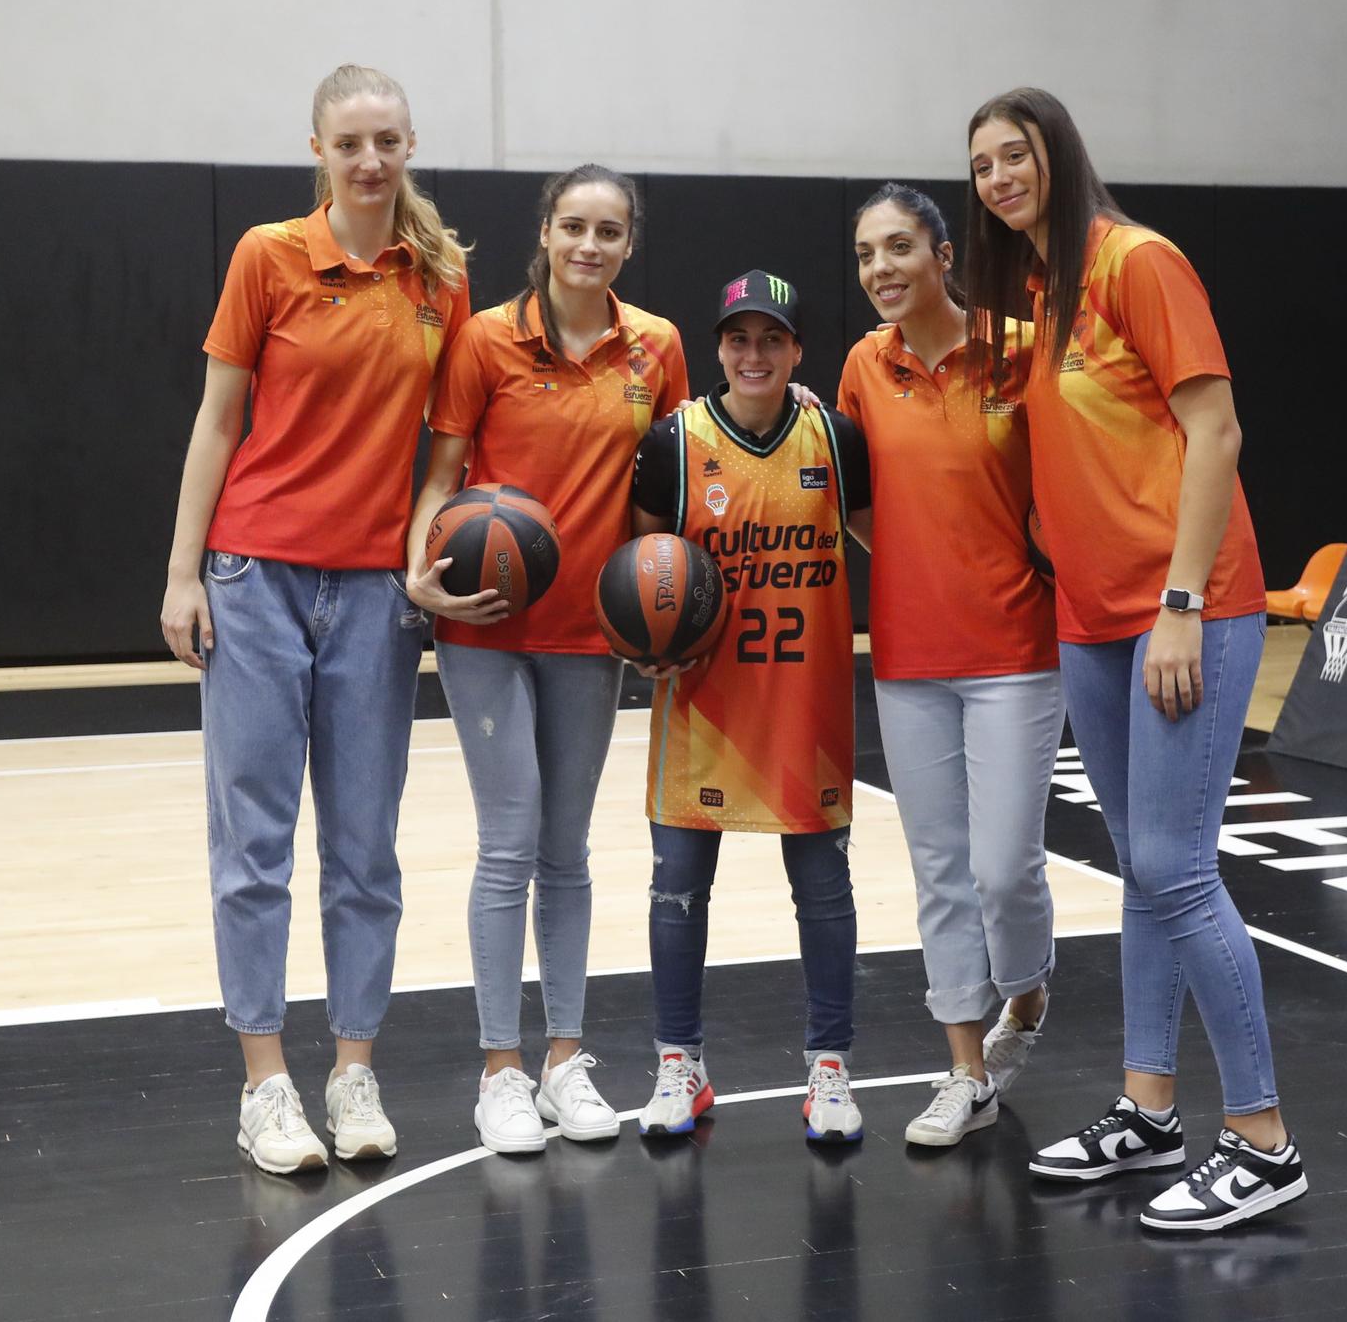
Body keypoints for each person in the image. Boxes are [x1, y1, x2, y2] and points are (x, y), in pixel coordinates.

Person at [963, 87, 1305, 1231]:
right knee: (1137, 867)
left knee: (1176, 867)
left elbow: (1215, 431)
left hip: (1183, 613)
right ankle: (1148, 1108)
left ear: (1057, 155)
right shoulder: (1042, 292)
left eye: (1015, 154)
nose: (999, 176)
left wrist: (1174, 601)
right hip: (1091, 619)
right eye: (982, 165)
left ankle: (1261, 1142)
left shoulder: (1136, 262)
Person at [159, 64, 470, 1175]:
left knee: (362, 849)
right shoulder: (267, 256)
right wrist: (183, 570)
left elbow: (446, 448)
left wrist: (418, 552)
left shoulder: (441, 280)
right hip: (253, 580)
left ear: (409, 144)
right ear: (318, 152)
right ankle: (264, 1084)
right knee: (253, 844)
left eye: (387, 141)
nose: (372, 161)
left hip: (376, 596)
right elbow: (216, 421)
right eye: (350, 144)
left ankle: (351, 1069)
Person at [404, 165, 690, 1155]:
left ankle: (564, 1059)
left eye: (608, 230)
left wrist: (664, 612)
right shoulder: (483, 338)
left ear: (626, 242)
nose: (589, 244)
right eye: (574, 225)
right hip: (483, 621)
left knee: (565, 847)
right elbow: (442, 474)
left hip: (591, 633)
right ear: (545, 231)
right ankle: (500, 1070)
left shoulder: (655, 346)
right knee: (510, 839)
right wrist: (418, 574)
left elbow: (665, 492)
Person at [836, 184, 1064, 1148]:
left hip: (1016, 646)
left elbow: (1061, 487)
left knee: (1004, 865)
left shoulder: (1019, 349)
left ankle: (1031, 991)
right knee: (940, 867)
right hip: (908, 653)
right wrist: (925, 561)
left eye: (899, 248)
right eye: (864, 255)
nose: (881, 269)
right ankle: (966, 1069)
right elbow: (853, 499)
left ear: (941, 254)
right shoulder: (861, 366)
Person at [627, 270, 873, 1144]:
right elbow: (641, 563)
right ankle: (679, 1065)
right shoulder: (675, 443)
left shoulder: (837, 440)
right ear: (717, 348)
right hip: (704, 703)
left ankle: (831, 1068)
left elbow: (890, 540)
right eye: (739, 338)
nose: (755, 353)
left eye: (773, 338)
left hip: (805, 702)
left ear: (799, 350)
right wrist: (642, 632)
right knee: (678, 890)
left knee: (824, 891)